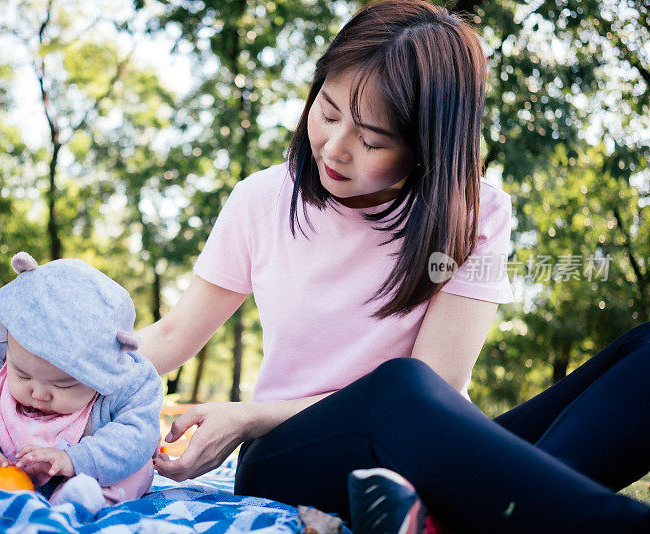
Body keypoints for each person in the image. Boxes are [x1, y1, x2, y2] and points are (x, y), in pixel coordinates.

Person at [136, 0, 650, 532]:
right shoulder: (263, 199)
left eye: (371, 139)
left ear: (425, 144)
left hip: (421, 447)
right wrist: (54, 342)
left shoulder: (475, 215)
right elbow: (173, 331)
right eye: (328, 112)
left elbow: (440, 386)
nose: (334, 148)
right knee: (399, 388)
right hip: (290, 451)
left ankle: (488, 514)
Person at [0, 252, 162, 512]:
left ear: (101, 373)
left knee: (138, 467)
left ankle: (82, 500)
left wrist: (75, 460)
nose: (38, 393)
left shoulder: (124, 383)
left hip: (90, 473)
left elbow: (136, 435)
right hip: (10, 474)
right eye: (23, 375)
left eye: (63, 385)